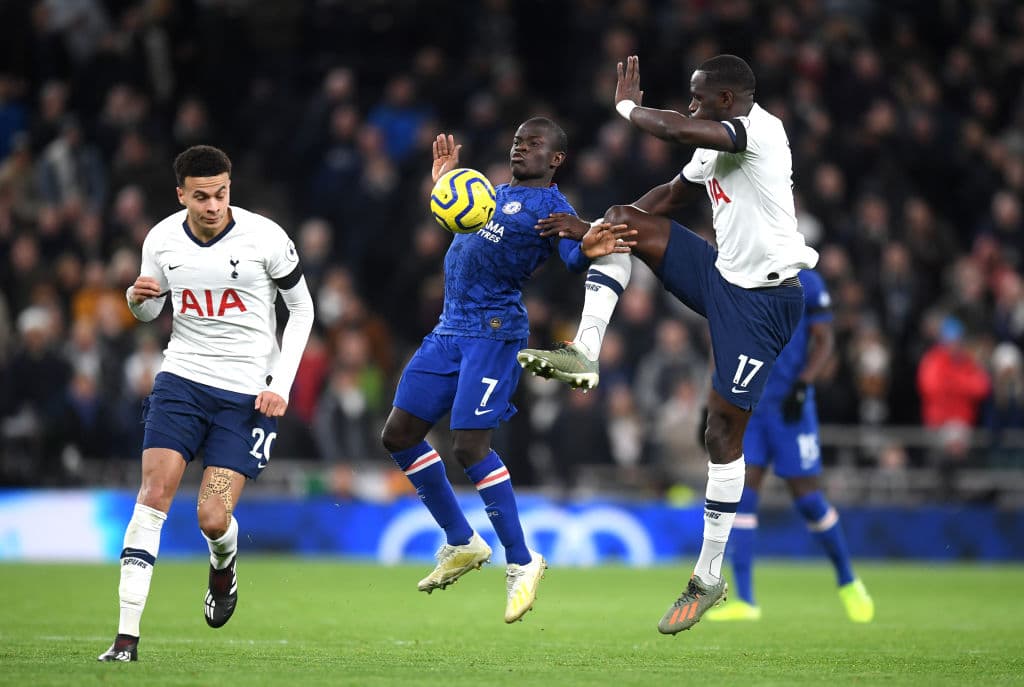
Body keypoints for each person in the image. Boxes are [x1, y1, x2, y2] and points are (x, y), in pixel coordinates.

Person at [518, 54, 819, 634]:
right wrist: (601, 228)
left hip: (764, 305)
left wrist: (629, 108)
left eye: (700, 97)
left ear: (728, 101)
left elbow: (676, 128)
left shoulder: (760, 132)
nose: (692, 105)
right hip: (721, 276)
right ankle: (585, 349)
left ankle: (707, 577)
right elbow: (674, 195)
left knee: (721, 431)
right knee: (623, 216)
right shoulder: (716, 145)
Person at [380, 120, 632, 623]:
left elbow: (571, 252)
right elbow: (463, 226)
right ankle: (461, 541)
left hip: (493, 334)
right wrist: (444, 186)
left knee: (470, 444)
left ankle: (522, 561)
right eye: (517, 140)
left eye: (534, 143)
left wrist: (586, 245)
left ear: (556, 158)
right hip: (448, 328)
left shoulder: (552, 207)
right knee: (399, 435)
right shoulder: (488, 192)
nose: (521, 147)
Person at [98, 145, 315, 661]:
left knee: (212, 517)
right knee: (152, 495)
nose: (214, 205)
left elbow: (302, 310)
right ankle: (126, 639)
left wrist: (280, 383)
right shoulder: (161, 239)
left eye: (221, 193)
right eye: (201, 197)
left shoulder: (266, 237)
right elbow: (151, 312)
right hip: (182, 381)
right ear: (181, 196)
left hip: (245, 396)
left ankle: (223, 565)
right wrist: (137, 302)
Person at [704, 268, 874, 623]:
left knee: (808, 499)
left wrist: (804, 383)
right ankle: (746, 600)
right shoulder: (740, 271)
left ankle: (848, 580)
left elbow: (824, 340)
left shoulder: (807, 280)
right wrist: (712, 401)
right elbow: (722, 339)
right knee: (743, 496)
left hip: (788, 406)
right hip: (749, 401)